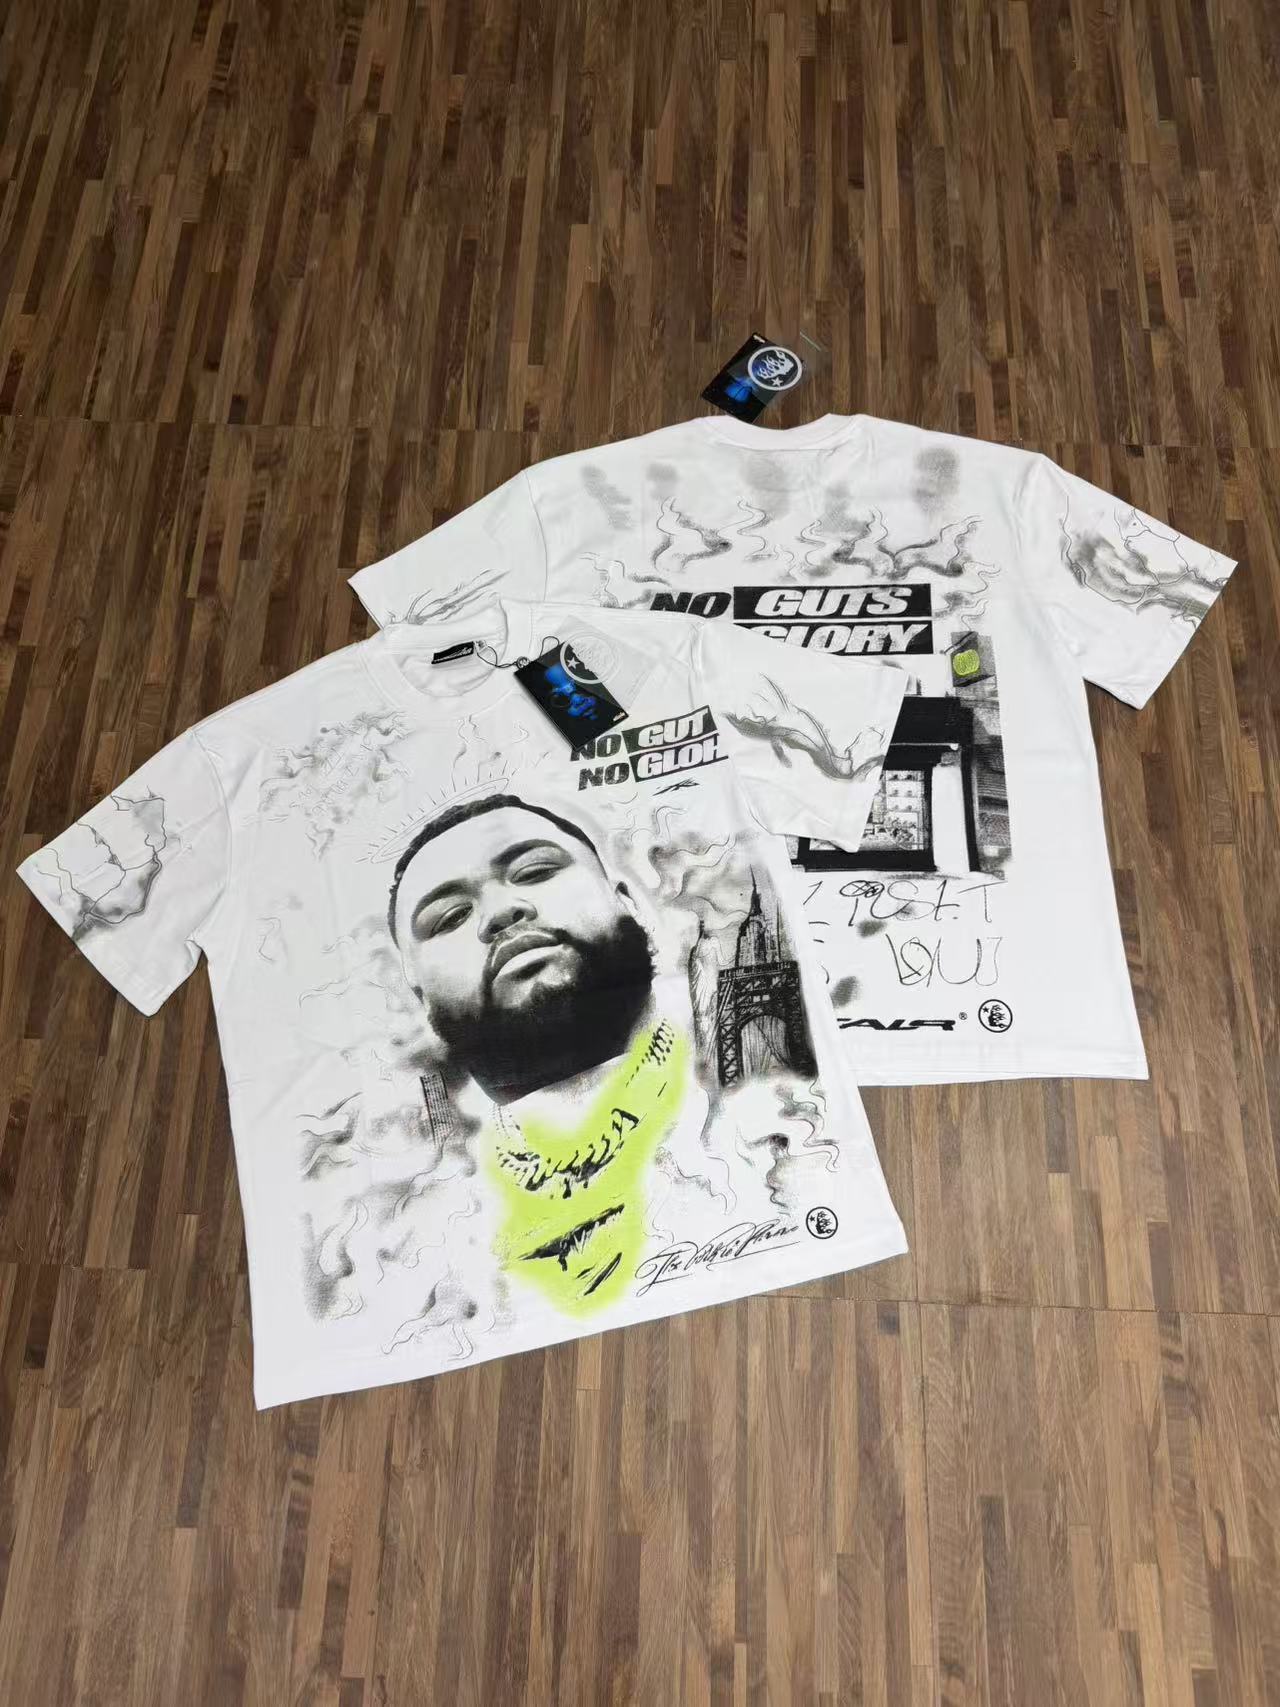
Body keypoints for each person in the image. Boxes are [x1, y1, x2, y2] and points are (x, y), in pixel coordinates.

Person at [388, 791, 685, 1309]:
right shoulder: (426, 1232)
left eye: (536, 871)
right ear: (421, 997)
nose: (501, 913)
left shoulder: (761, 1093)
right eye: (450, 917)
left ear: (631, 904)